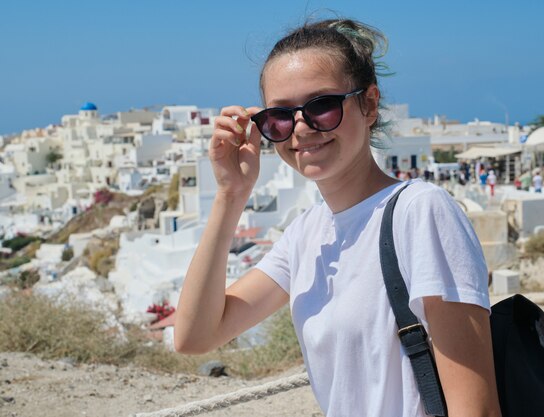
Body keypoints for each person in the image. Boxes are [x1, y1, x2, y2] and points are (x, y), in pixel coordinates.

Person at [174, 18, 501, 417]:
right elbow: (195, 336)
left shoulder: (421, 211)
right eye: (279, 116)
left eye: (322, 106)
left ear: (370, 104)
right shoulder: (306, 235)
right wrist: (230, 195)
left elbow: (477, 410)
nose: (301, 128)